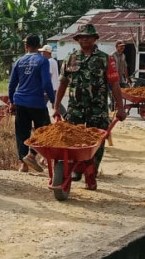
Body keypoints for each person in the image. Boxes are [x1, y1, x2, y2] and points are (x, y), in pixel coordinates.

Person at [53, 24, 124, 190]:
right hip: (75, 109)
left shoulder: (105, 59)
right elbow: (63, 83)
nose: (84, 39)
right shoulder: (70, 58)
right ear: (77, 40)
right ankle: (76, 169)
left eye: (88, 37)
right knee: (72, 141)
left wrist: (120, 108)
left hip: (97, 109)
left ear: (94, 39)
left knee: (96, 143)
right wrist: (56, 106)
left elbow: (114, 85)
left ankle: (92, 171)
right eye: (81, 37)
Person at [9, 35, 55, 173]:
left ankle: (23, 165)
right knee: (45, 130)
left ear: (26, 46)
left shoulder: (18, 61)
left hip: (20, 102)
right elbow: (46, 83)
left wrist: (12, 102)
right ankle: (32, 154)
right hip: (37, 102)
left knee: (22, 132)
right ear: (39, 46)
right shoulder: (42, 60)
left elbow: (12, 84)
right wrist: (53, 100)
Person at [40, 44, 63, 117]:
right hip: (55, 86)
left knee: (40, 104)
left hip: (50, 87)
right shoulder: (54, 61)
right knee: (56, 105)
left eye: (43, 52)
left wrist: (44, 87)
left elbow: (48, 75)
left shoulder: (48, 62)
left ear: (47, 52)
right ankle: (65, 118)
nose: (42, 53)